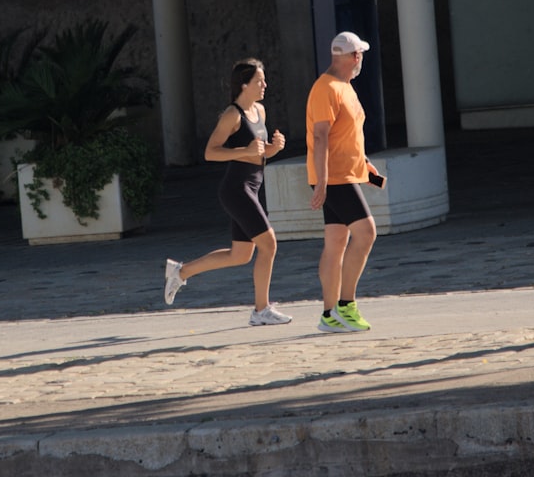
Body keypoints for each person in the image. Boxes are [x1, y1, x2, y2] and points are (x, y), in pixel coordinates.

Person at [163, 58, 292, 326]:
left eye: (264, 80)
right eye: (259, 81)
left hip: (253, 188)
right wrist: (243, 151)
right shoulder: (232, 115)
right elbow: (211, 152)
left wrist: (274, 149)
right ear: (244, 85)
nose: (265, 85)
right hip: (236, 189)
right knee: (269, 245)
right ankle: (261, 310)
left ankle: (181, 271)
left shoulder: (260, 111)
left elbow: (259, 152)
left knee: (240, 255)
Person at [306, 31, 386, 333]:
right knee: (366, 233)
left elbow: (345, 134)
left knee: (336, 243)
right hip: (334, 177)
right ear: (354, 57)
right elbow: (321, 135)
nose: (361, 59)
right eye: (360, 54)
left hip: (345, 172)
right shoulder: (324, 88)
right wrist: (323, 182)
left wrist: (363, 164)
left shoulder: (345, 87)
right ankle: (345, 305)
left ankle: (329, 315)